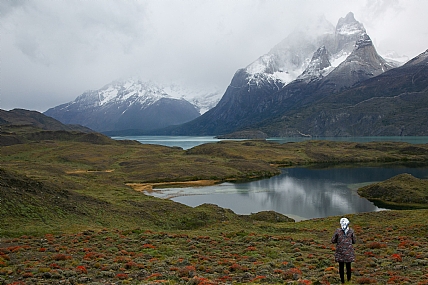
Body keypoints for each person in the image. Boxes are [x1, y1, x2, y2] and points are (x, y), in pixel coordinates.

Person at [331, 217, 356, 284]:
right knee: (348, 266)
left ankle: (342, 281)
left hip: (340, 252)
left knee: (341, 267)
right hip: (349, 252)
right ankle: (349, 280)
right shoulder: (351, 231)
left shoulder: (338, 231)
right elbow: (354, 241)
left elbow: (333, 240)